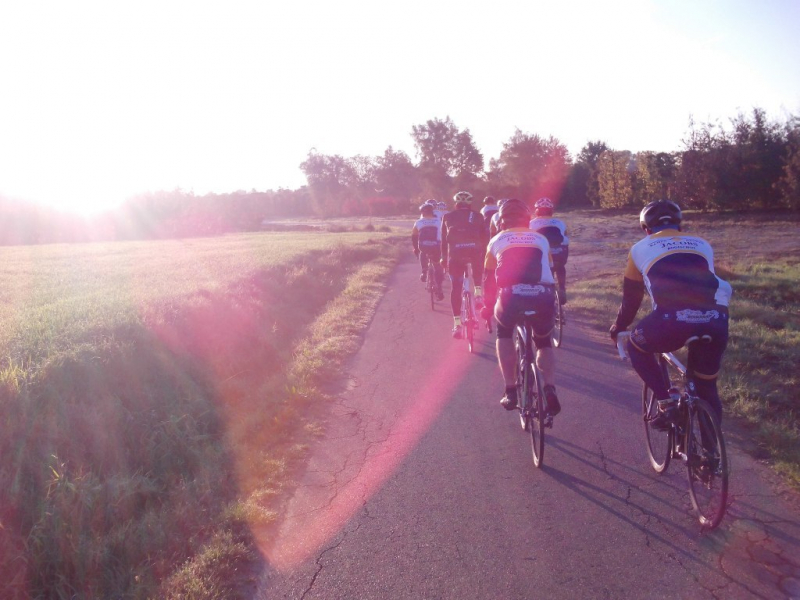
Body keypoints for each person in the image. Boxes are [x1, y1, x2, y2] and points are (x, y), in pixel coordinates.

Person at [609, 199, 732, 430]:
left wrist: (618, 327)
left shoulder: (639, 248)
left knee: (637, 346)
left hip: (672, 320)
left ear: (646, 230)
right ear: (679, 225)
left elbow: (631, 299)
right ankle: (711, 458)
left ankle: (667, 403)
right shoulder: (702, 244)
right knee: (706, 387)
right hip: (715, 319)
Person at [480, 198, 561, 413]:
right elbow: (550, 269)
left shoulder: (496, 239)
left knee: (504, 333)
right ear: (528, 220)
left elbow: (488, 279)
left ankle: (511, 391)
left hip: (511, 296)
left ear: (502, 221)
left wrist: (487, 306)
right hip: (542, 294)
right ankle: (550, 387)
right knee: (543, 342)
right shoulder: (541, 239)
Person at [441, 191, 487, 338]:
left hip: (455, 255)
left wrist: (443, 258)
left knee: (456, 288)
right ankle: (479, 293)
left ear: (456, 204)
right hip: (474, 252)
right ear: (470, 204)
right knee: (477, 262)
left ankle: (457, 325)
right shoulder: (478, 216)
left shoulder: (447, 217)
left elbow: (443, 241)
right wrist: (484, 254)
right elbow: (485, 237)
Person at [529, 197, 569, 304]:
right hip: (559, 252)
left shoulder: (531, 223)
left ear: (537, 210)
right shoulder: (560, 222)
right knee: (560, 266)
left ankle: (541, 293)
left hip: (541, 254)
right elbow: (565, 239)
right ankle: (562, 288)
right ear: (551, 211)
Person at [412, 201, 445, 300]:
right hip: (436, 247)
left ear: (422, 213)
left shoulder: (418, 222)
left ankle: (424, 271)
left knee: (422, 251)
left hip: (423, 246)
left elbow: (414, 237)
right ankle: (439, 288)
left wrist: (416, 249)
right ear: (432, 211)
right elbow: (444, 235)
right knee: (437, 266)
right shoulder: (439, 221)